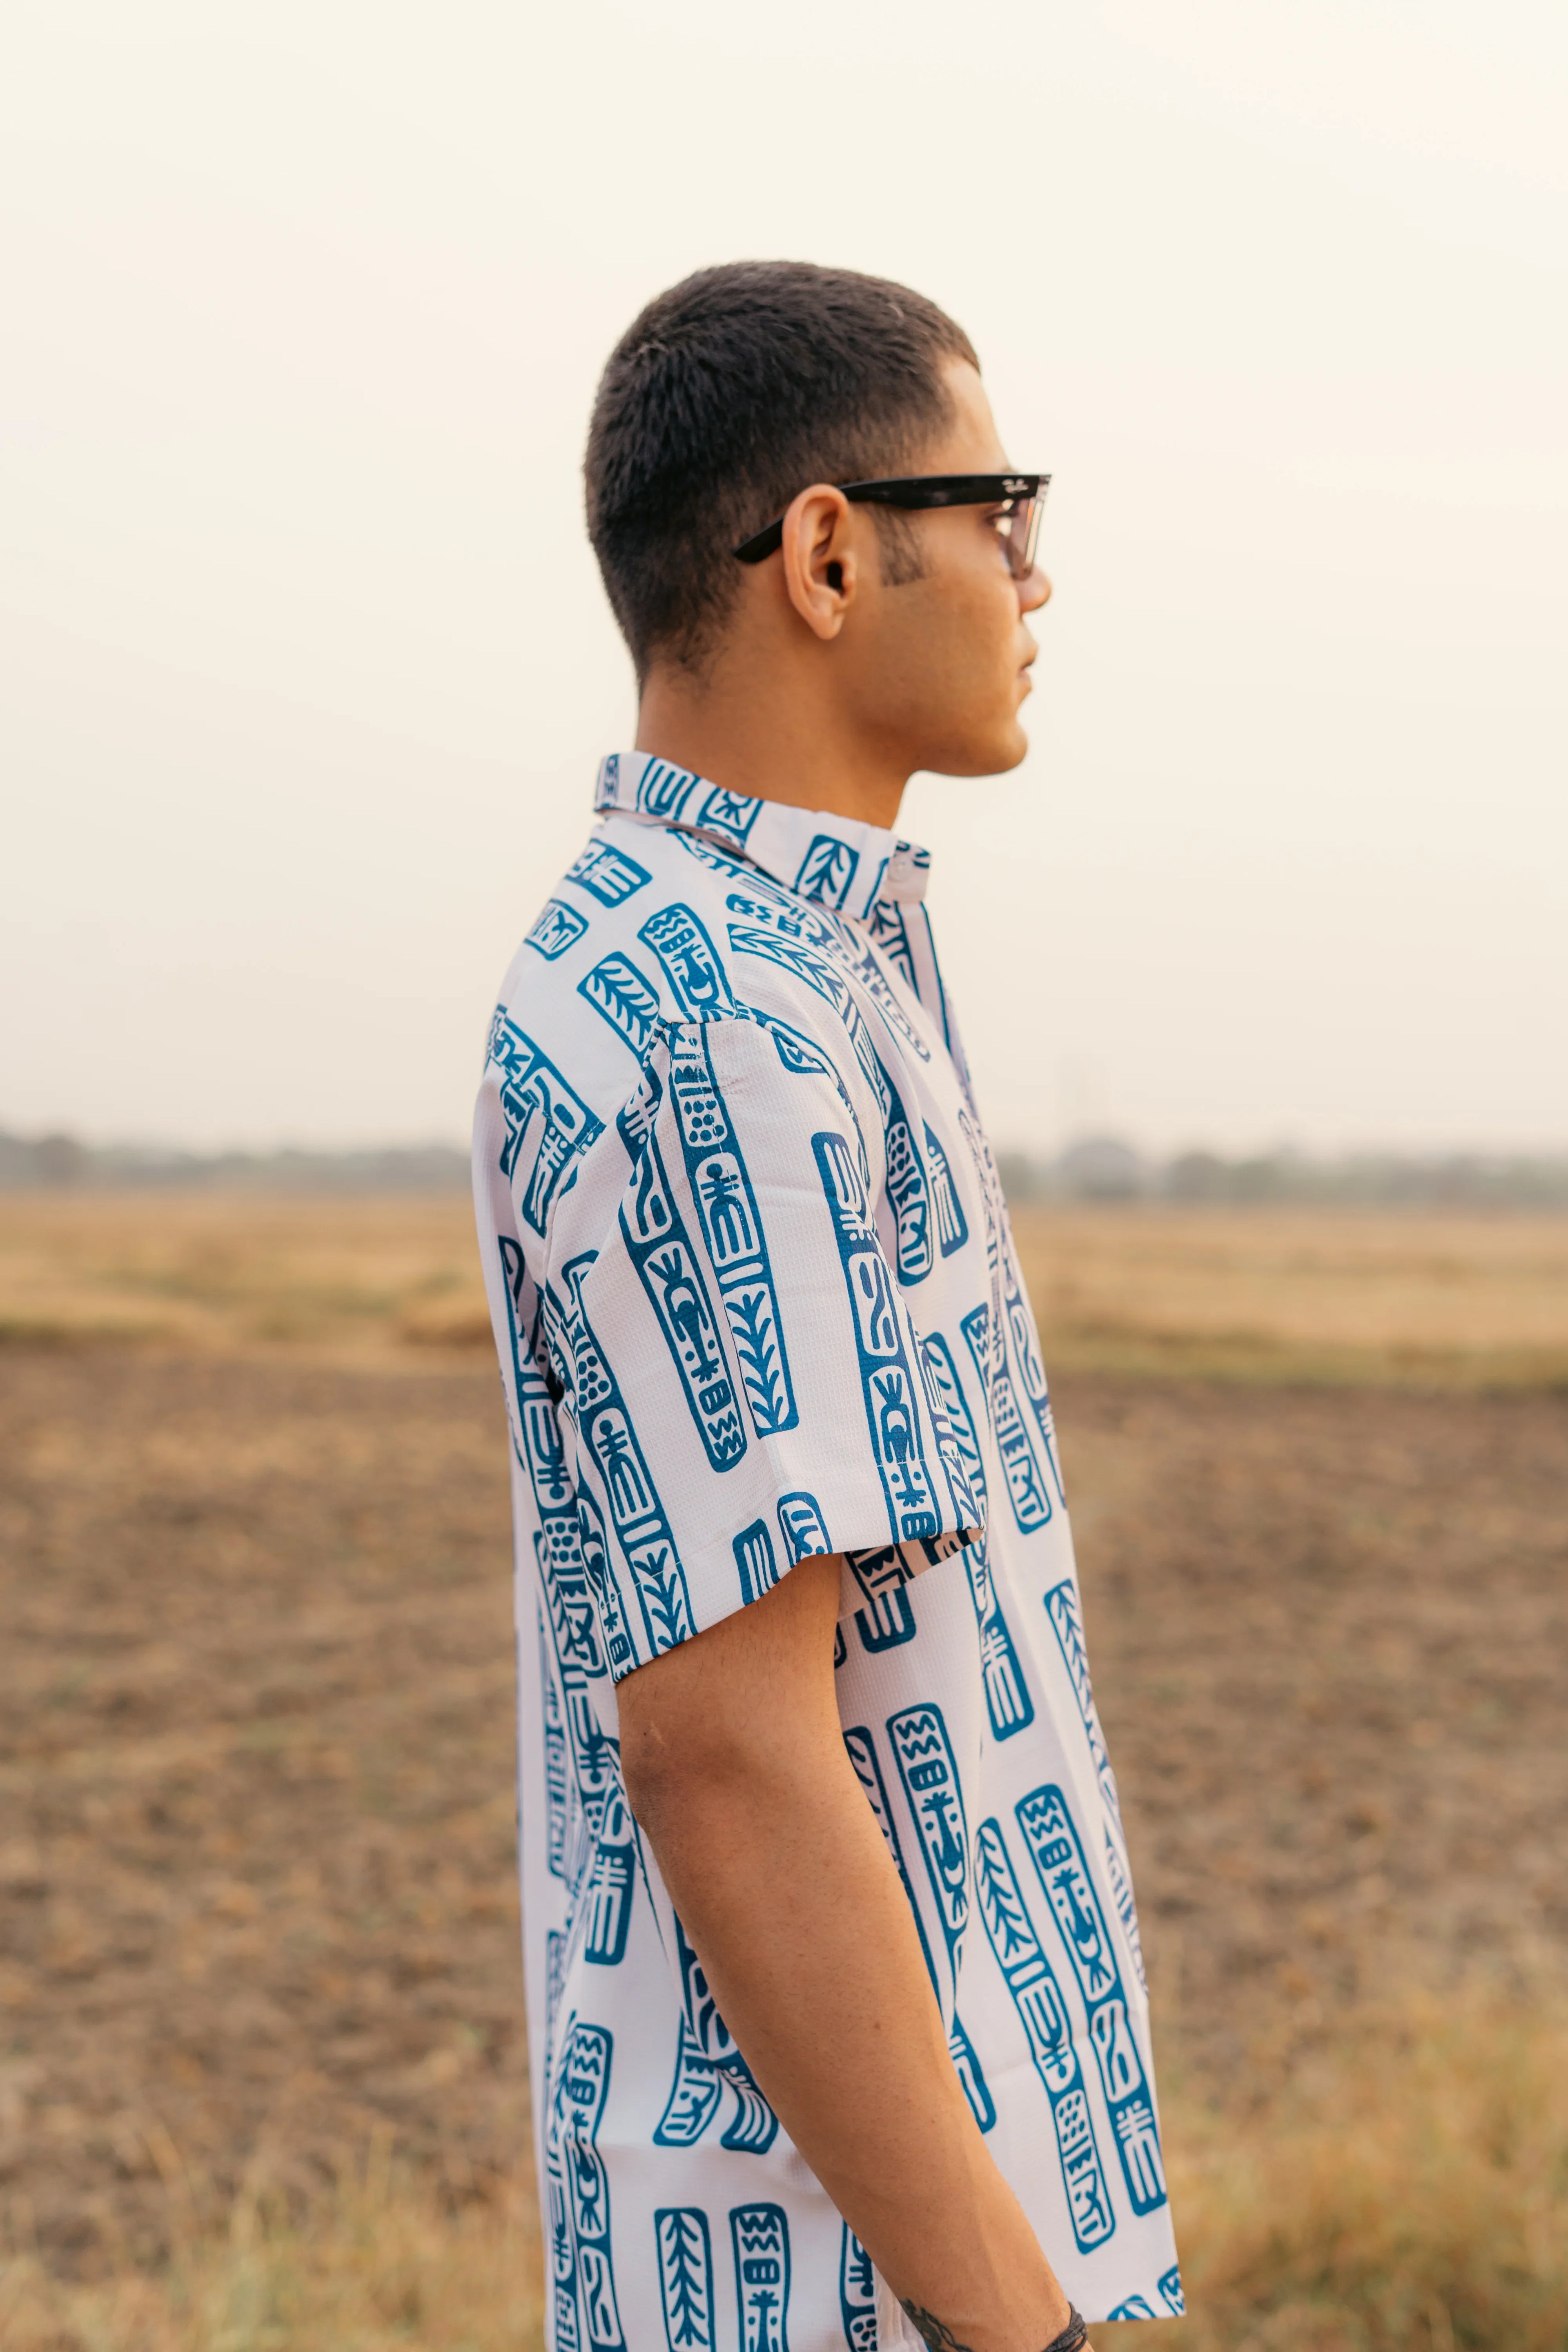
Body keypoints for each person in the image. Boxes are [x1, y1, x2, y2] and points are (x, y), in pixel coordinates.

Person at [472, 261, 1180, 2352]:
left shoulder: (782, 970)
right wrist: (1024, 2332)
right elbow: (733, 1758)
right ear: (828, 554)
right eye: (1002, 507)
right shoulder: (725, 1026)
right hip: (850, 2292)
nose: (1034, 575)